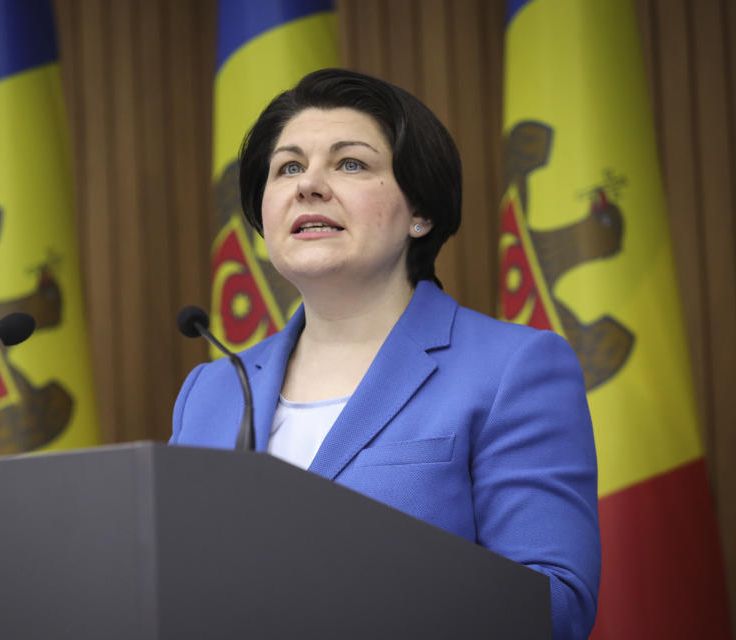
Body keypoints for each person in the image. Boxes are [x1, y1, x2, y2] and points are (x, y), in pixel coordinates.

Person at [171, 68, 600, 640]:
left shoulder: (512, 368)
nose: (309, 185)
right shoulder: (213, 388)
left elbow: (554, 607)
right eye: (288, 167)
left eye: (351, 163)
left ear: (420, 212)